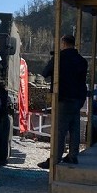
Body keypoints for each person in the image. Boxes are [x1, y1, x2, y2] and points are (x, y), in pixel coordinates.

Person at [38, 34, 88, 169]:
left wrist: (53, 59)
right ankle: (73, 156)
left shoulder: (59, 59)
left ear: (64, 43)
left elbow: (45, 73)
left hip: (64, 97)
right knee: (74, 128)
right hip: (78, 98)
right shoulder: (82, 60)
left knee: (59, 131)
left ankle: (55, 159)